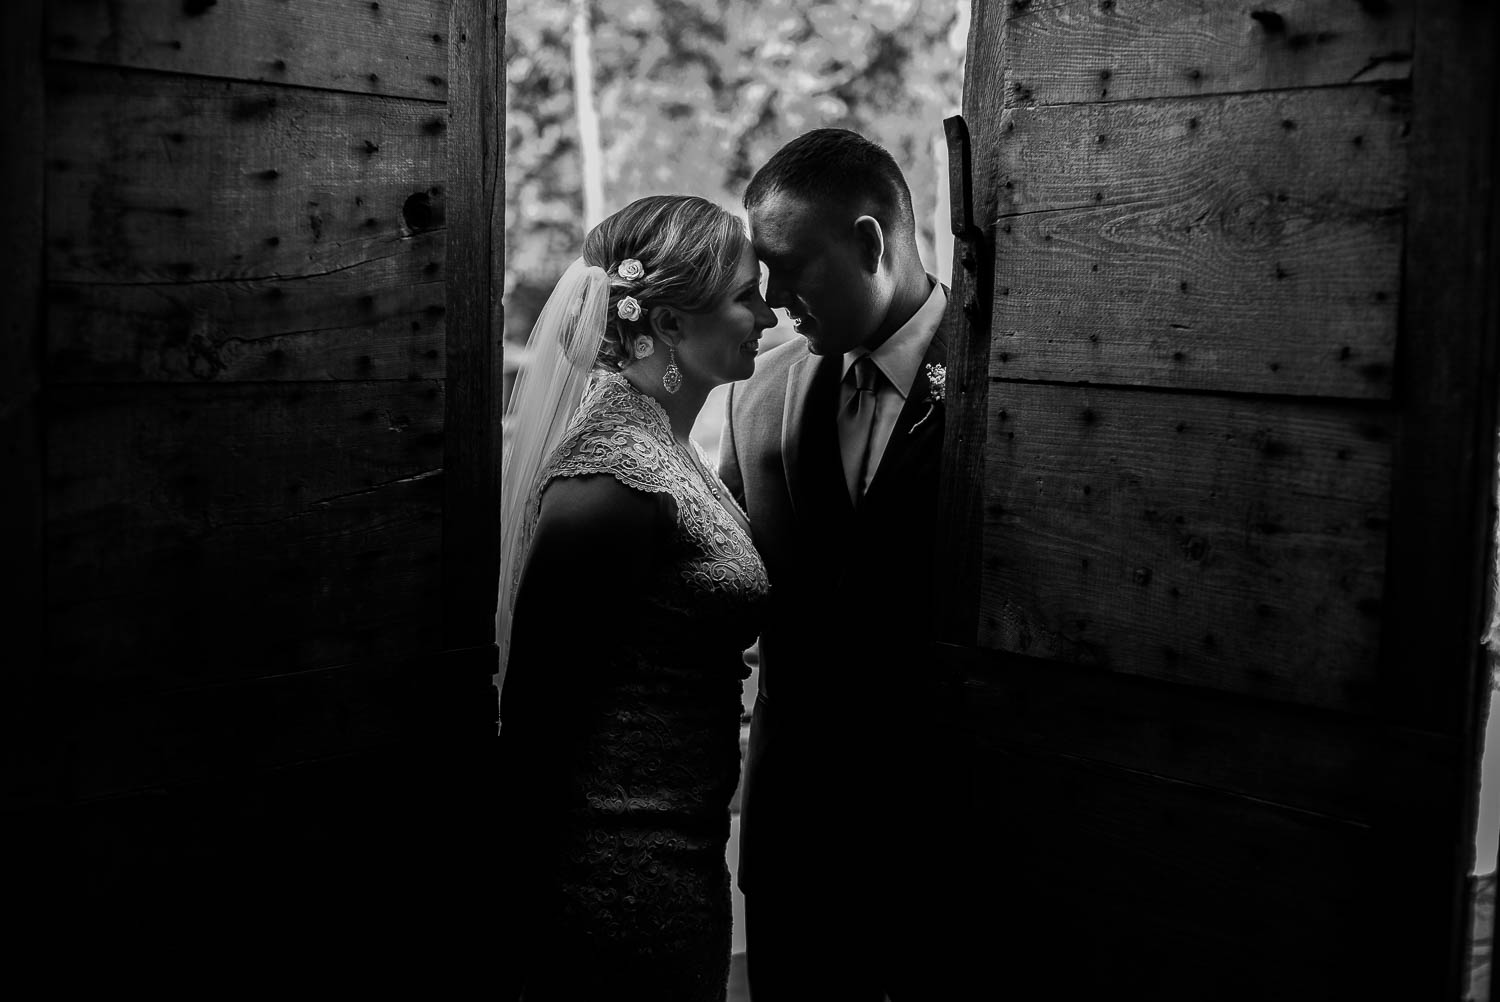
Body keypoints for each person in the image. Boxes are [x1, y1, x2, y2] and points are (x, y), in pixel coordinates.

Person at [496, 194, 777, 1002]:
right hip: (614, 874)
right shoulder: (610, 475)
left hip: (678, 853)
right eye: (745, 294)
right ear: (673, 322)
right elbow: (540, 710)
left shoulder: (666, 446)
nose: (767, 313)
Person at [718, 129, 970, 999]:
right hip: (795, 837)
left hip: (952, 840)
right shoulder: (757, 396)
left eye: (790, 267)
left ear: (869, 243)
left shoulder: (1005, 382)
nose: (772, 296)